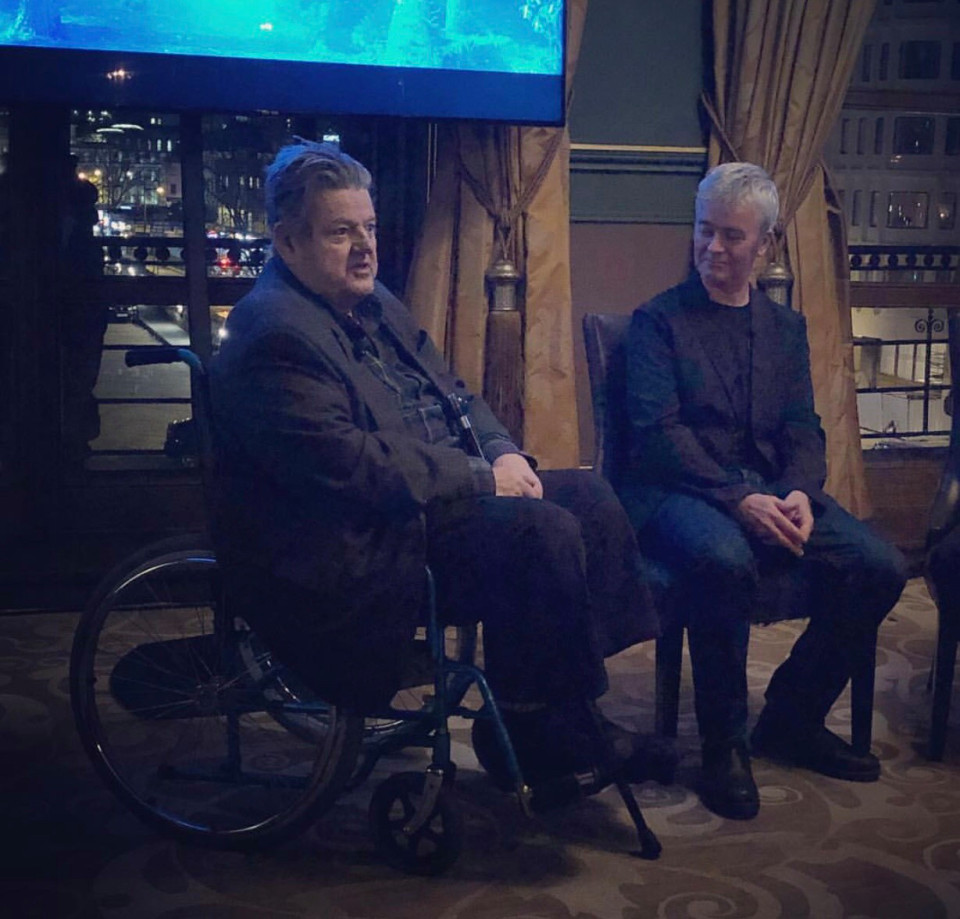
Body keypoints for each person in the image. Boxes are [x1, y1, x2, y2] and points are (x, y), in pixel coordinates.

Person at [209, 139, 672, 789]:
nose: (365, 247)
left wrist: (503, 451)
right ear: (288, 241)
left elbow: (455, 392)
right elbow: (357, 467)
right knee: (539, 532)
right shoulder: (274, 332)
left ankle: (546, 711)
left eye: (369, 227)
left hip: (431, 498)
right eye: (341, 232)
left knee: (588, 498)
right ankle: (543, 725)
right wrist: (483, 477)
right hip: (363, 539)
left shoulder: (373, 300)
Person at [620, 162, 908, 820]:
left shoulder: (785, 328)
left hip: (772, 489)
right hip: (678, 493)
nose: (714, 247)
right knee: (725, 560)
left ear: (765, 244)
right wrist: (738, 500)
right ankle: (723, 745)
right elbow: (658, 437)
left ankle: (791, 717)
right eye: (705, 230)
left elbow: (803, 427)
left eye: (732, 235)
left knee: (881, 567)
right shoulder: (657, 321)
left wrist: (799, 492)